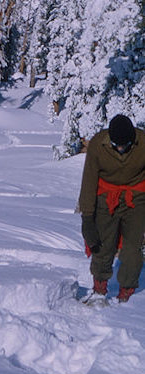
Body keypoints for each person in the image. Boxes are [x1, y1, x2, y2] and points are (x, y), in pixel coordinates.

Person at [78, 114, 145, 302]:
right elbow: (89, 182)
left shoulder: (143, 143)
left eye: (126, 145)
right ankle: (99, 286)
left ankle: (127, 292)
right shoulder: (98, 144)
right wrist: (87, 218)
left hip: (137, 198)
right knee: (102, 243)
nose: (122, 148)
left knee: (133, 247)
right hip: (106, 198)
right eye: (117, 145)